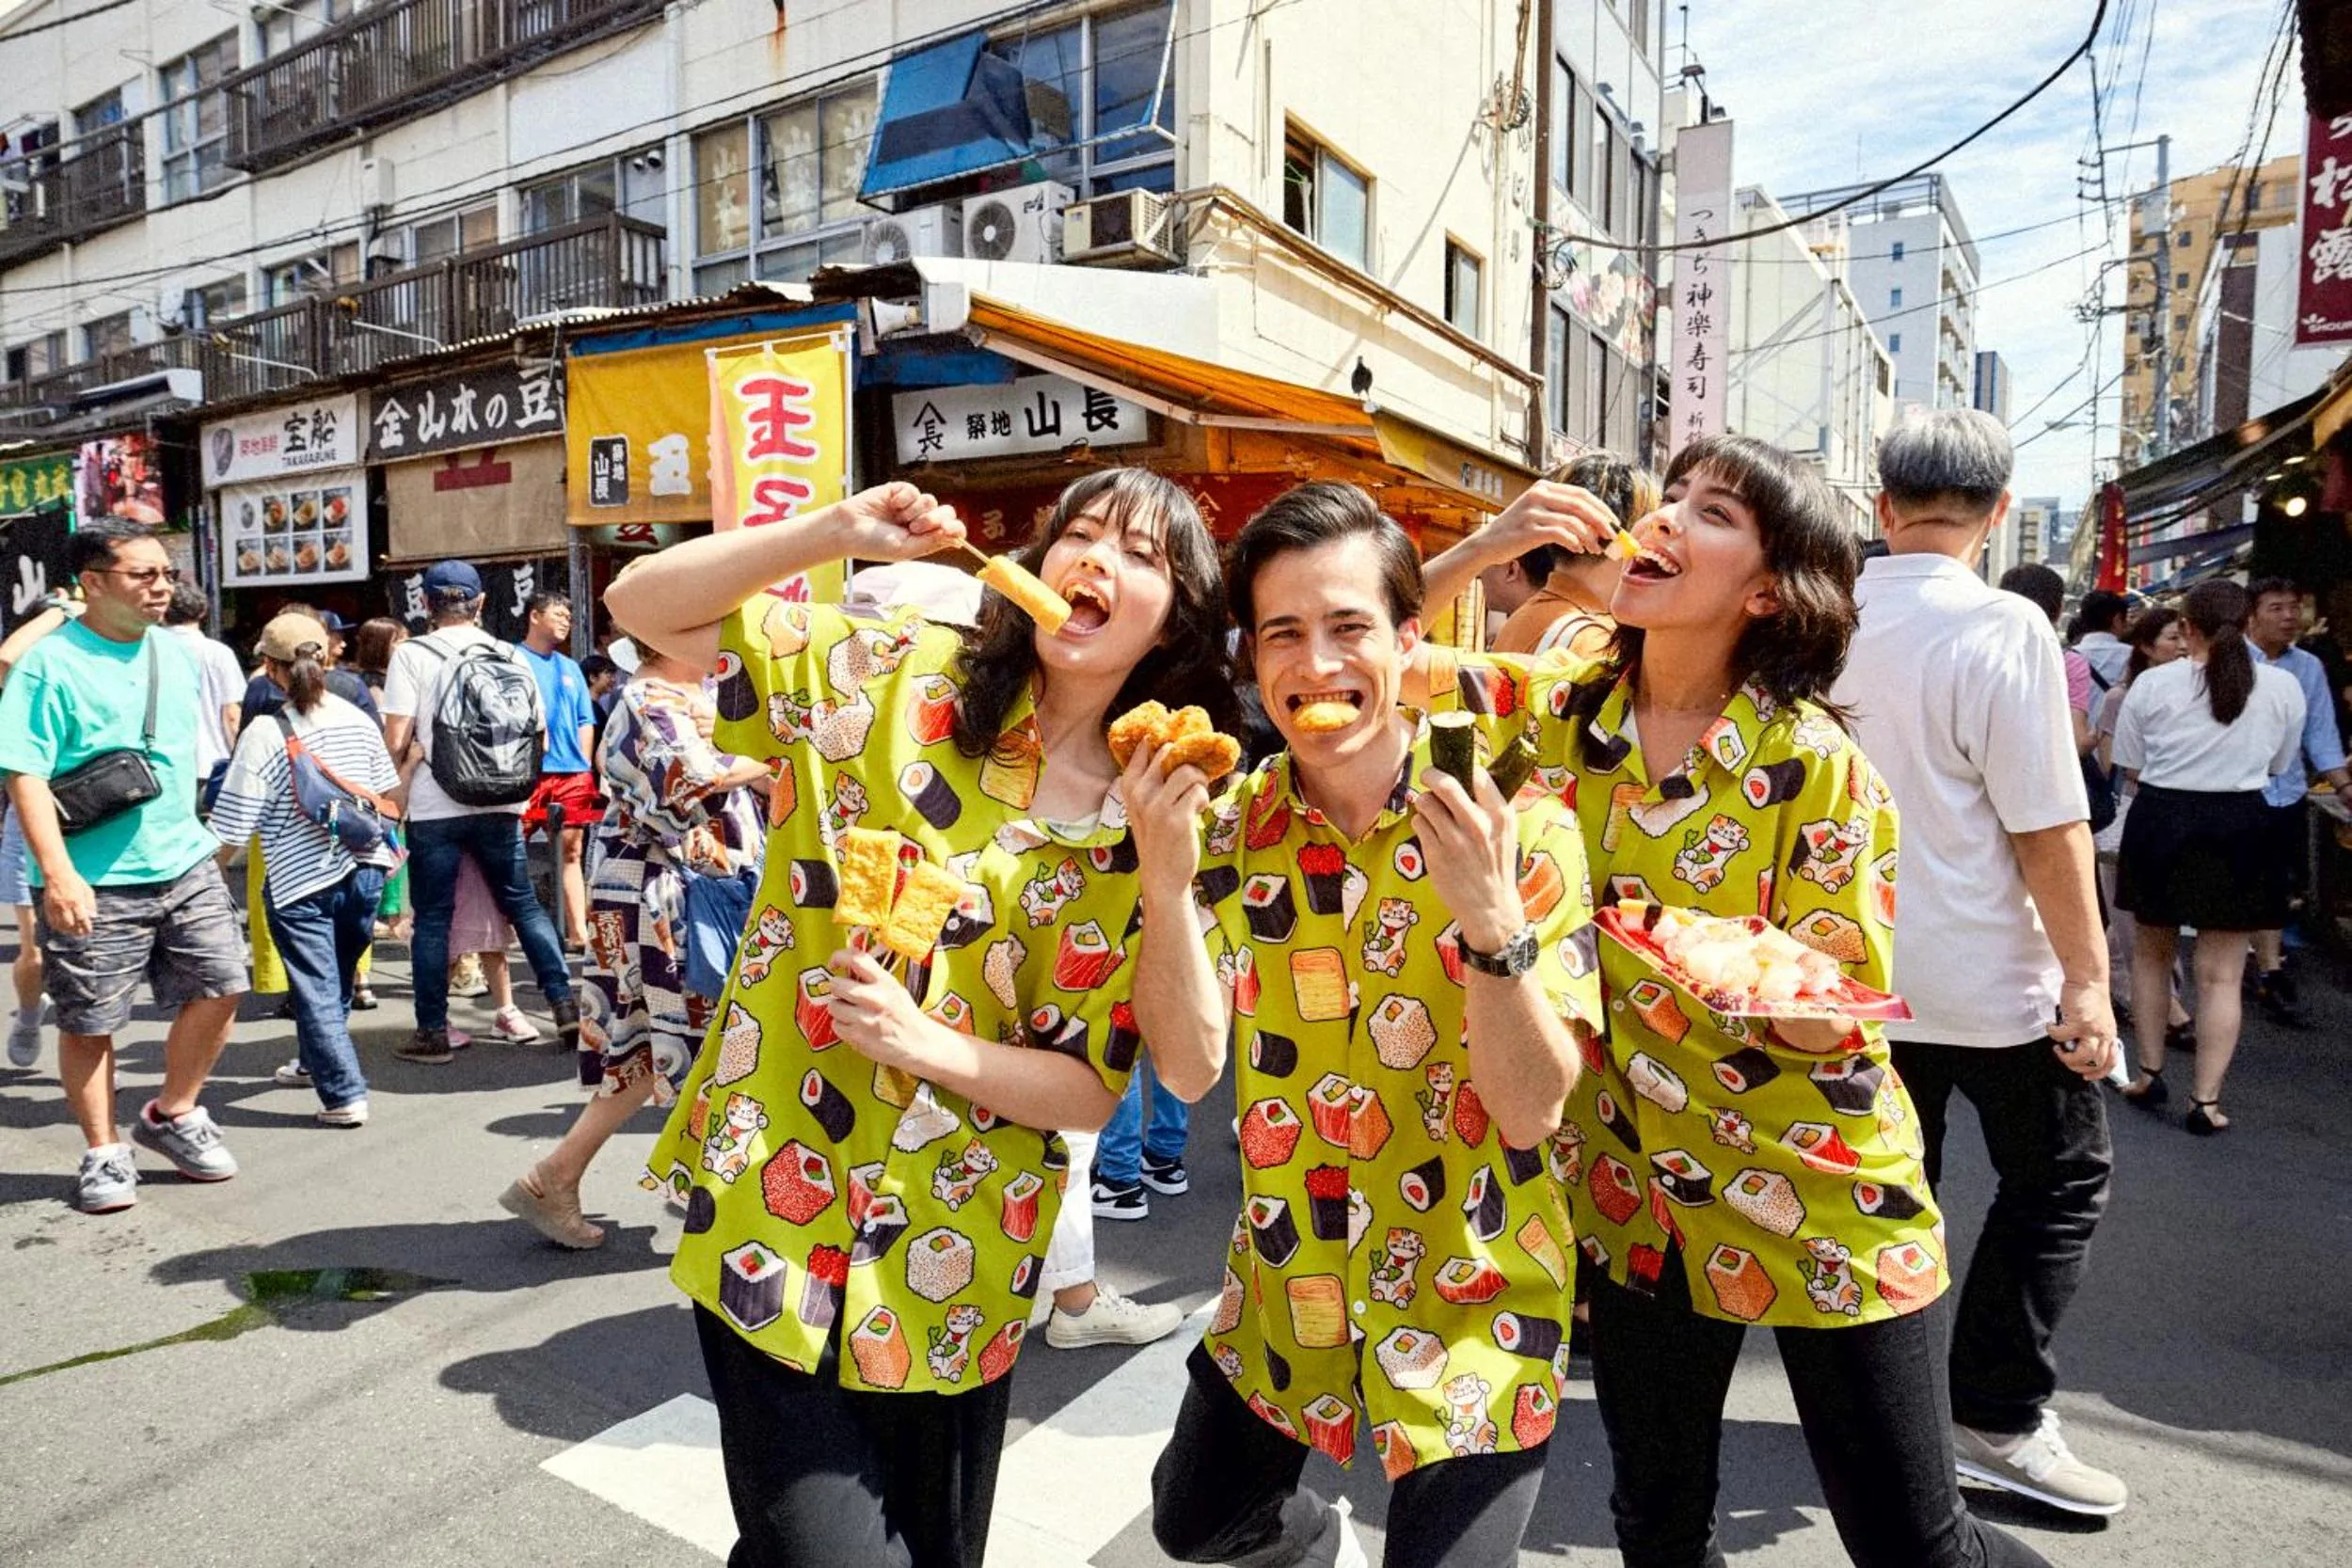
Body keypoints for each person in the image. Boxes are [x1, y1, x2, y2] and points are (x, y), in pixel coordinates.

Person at [1432, 434, 2052, 1566]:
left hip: (1816, 1187)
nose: (1665, 514)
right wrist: (1488, 543)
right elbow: (1367, 672)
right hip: (1635, 1192)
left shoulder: (1815, 763)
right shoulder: (1560, 712)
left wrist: (1731, 966)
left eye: (1713, 510)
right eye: (1669, 495)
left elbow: (1832, 1010)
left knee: (1913, 1545)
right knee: (1656, 1526)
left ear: (1767, 590)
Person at [606, 468, 1232, 1567]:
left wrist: (926, 1043)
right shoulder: (894, 675)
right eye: (1079, 534)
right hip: (772, 1194)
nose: (1095, 558)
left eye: (1141, 554)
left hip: (957, 1251)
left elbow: (1105, 1083)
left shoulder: (1153, 812)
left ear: (1175, 618)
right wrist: (830, 529)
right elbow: (641, 604)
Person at [1131, 483, 1601, 1568]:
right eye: (1282, 632)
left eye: (1349, 627)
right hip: (1284, 1282)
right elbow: (1188, 1069)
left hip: (1470, 1300)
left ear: (1409, 640)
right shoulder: (1231, 825)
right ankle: (1311, 1541)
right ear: (1250, 655)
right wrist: (1163, 883)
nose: (1317, 664)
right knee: (1191, 1519)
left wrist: (1490, 925)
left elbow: (1531, 1109)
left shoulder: (1511, 819)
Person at [1835, 411, 2125, 1519]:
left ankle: (1890, 1417)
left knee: (1885, 1196)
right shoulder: (2002, 624)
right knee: (2057, 1179)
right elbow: (2047, 824)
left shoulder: (1825, 615)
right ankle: (1992, 1412)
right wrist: (2087, 980)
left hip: (1851, 975)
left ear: (1882, 503)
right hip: (1989, 979)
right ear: (1999, 511)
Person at [0, 524, 249, 1212]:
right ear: (93, 582)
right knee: (90, 1020)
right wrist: (58, 873)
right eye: (143, 575)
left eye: (166, 574)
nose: (162, 586)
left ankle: (173, 1111)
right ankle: (104, 1150)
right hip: (93, 875)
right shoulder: (49, 664)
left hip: (185, 858)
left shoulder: (176, 651)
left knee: (224, 985)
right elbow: (24, 772)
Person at [500, 635, 766, 1247]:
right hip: (665, 894)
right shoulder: (652, 698)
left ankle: (559, 1176)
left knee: (660, 1044)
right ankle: (709, 1202)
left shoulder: (685, 695)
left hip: (680, 890)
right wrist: (770, 753)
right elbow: (692, 783)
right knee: (699, 1040)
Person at [2112, 579, 2305, 1133]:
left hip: (2162, 818)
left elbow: (2129, 762)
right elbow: (2279, 764)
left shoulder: (2153, 684)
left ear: (2186, 628)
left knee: (2152, 956)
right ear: (2247, 624)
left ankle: (2149, 1073)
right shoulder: (2282, 686)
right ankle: (2206, 1102)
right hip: (2242, 824)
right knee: (2221, 975)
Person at [206, 613, 402, 1128]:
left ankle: (343, 1094)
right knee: (334, 982)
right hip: (364, 868)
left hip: (300, 879)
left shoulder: (265, 731)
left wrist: (205, 874)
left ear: (270, 669)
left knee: (316, 989)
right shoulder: (357, 717)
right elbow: (385, 790)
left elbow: (233, 824)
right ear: (326, 658)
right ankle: (314, 1062)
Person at [380, 561, 578, 1064]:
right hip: (503, 801)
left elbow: (396, 738)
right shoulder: (510, 655)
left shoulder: (412, 655)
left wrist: (403, 772)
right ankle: (564, 1006)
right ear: (481, 603)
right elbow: (540, 739)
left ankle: (432, 1031)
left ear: (426, 603)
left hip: (435, 805)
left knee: (434, 918)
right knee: (524, 905)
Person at [1422, 451, 1659, 659]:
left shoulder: (1520, 621)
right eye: (1652, 527)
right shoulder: (1597, 643)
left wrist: (1481, 546)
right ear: (1618, 540)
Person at [2243, 577, 2350, 1028]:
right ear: (2251, 615)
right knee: (2239, 882)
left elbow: (2320, 732)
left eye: (2294, 607)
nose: (2289, 617)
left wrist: (2342, 785)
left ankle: (2269, 970)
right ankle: (2244, 962)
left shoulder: (2308, 667)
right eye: (2277, 608)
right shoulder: (2228, 660)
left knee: (2273, 882)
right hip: (2233, 791)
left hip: (2284, 792)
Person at [2094, 608, 2191, 1046]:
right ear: (2147, 647)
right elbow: (2114, 764)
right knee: (2135, 918)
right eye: (2172, 637)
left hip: (2176, 816)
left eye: (2186, 636)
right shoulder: (2122, 696)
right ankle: (2168, 1005)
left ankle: (2123, 988)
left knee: (2142, 919)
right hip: (2134, 812)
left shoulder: (2199, 692)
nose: (2183, 646)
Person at [516, 590, 600, 950]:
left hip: (572, 774)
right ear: (534, 616)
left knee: (571, 851)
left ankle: (578, 932)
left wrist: (583, 764)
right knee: (511, 849)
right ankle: (507, 928)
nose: (566, 621)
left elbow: (585, 719)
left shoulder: (570, 667)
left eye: (569, 616)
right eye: (558, 614)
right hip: (526, 772)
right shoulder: (513, 659)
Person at [2000, 563, 2100, 760]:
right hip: (2041, 770)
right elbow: (2078, 743)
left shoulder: (1978, 656)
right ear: (2059, 609)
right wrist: (2097, 735)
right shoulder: (2069, 664)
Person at [163, 583, 246, 810]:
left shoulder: (147, 649)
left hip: (163, 769)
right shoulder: (218, 653)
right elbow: (231, 715)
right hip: (210, 765)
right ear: (202, 613)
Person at [2068, 590, 2132, 687]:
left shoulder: (2066, 657)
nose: (2127, 625)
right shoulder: (2132, 656)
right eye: (2125, 620)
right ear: (2117, 620)